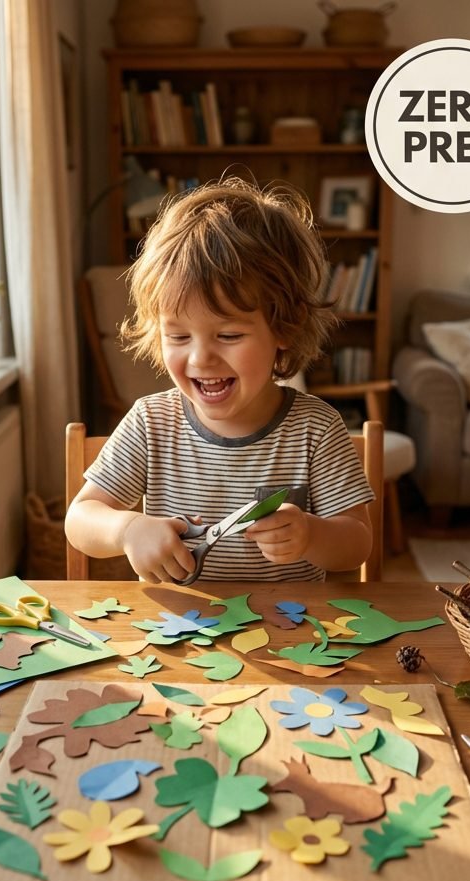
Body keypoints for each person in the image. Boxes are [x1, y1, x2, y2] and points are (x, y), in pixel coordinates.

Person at [65, 177, 374, 584]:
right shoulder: (150, 422)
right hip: (177, 635)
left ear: (284, 327)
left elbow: (357, 543)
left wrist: (311, 534)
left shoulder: (316, 429)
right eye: (177, 336)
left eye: (228, 335)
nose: (200, 358)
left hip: (289, 636)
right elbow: (80, 520)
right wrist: (127, 530)